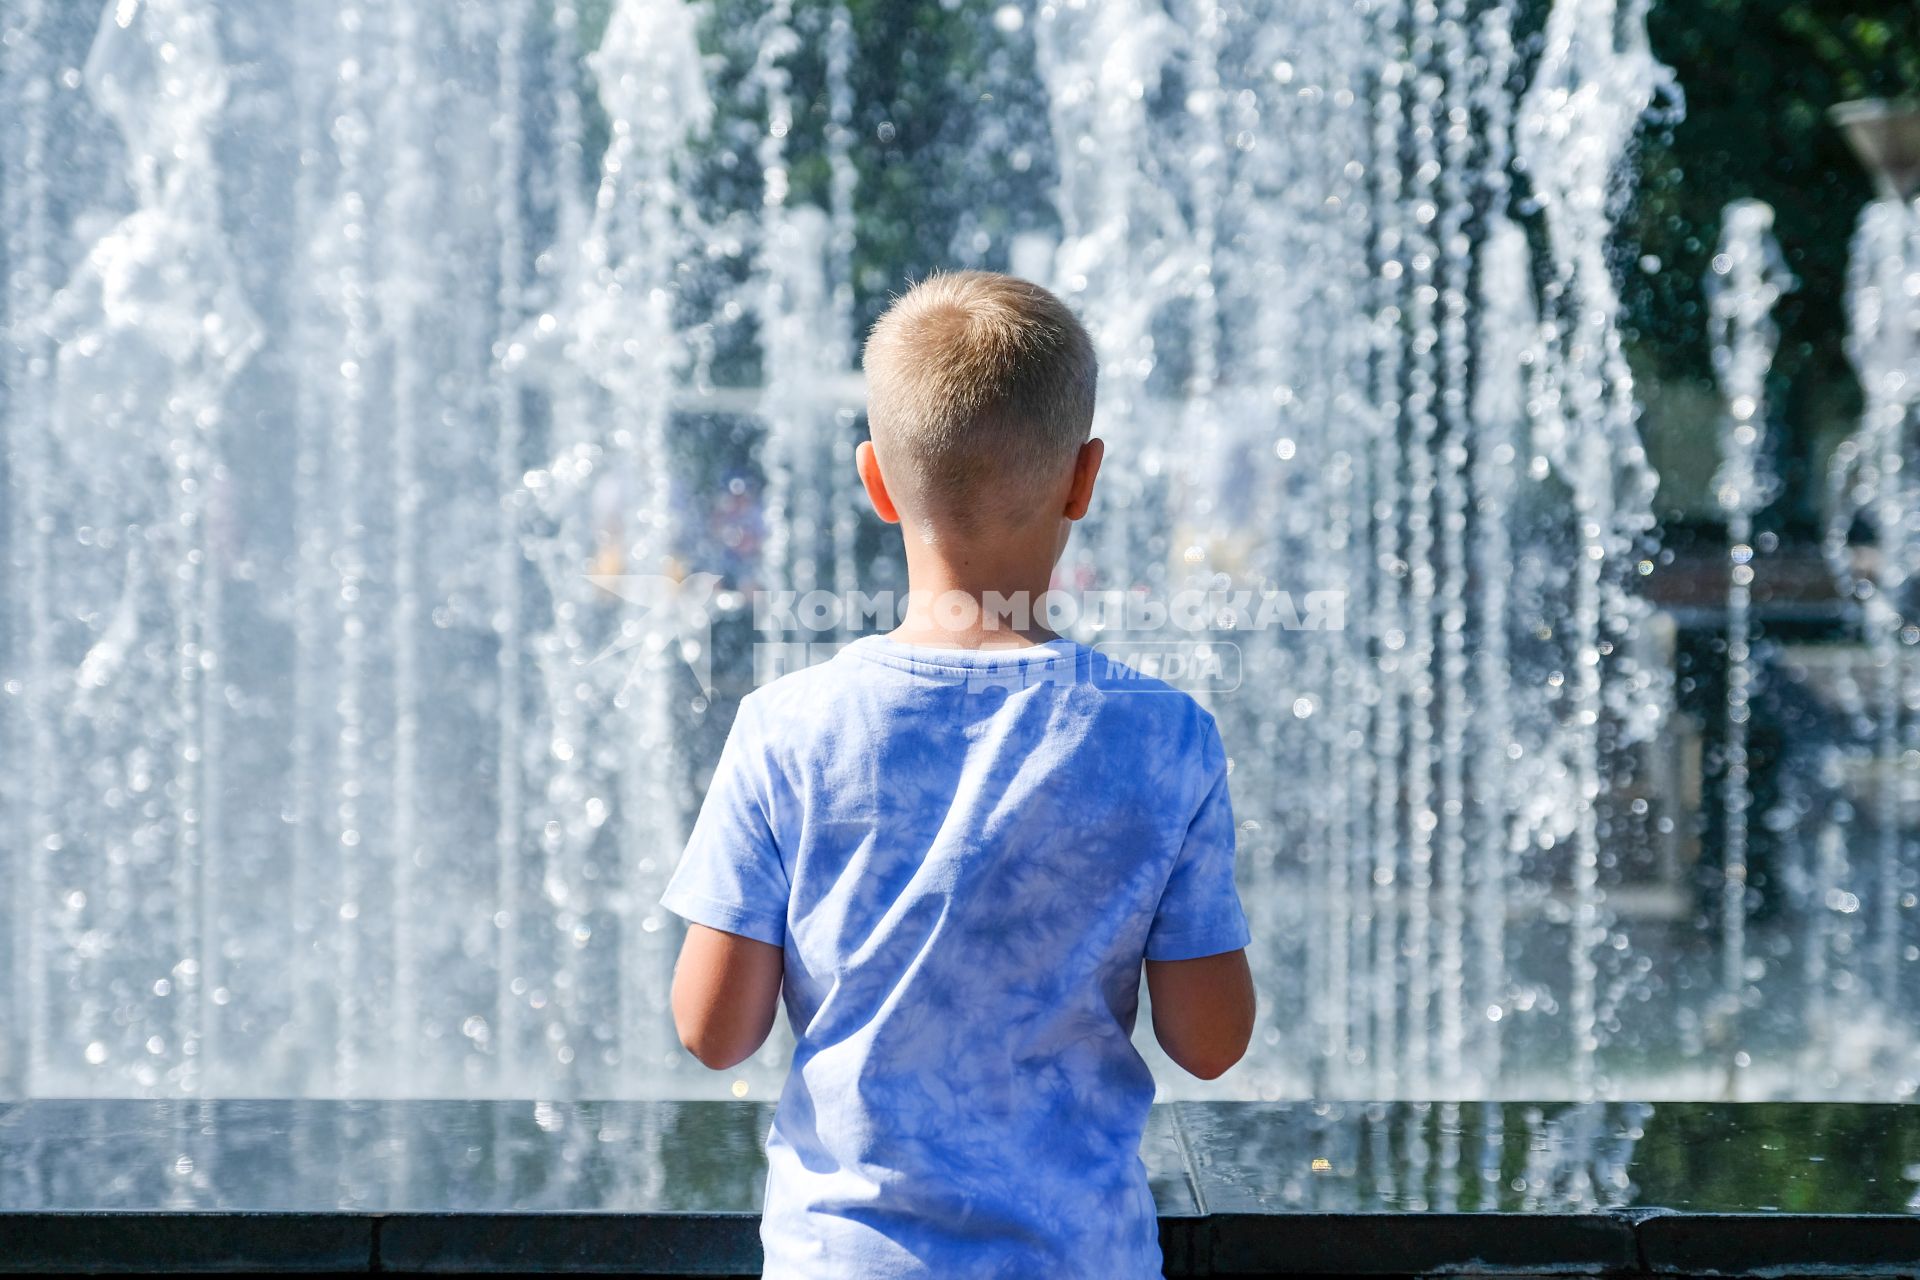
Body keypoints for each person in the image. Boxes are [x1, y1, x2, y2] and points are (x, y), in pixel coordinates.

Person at [661, 270, 1255, 1279]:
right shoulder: (1165, 736)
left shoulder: (786, 727)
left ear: (876, 481)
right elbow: (1210, 1040)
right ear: (1084, 477)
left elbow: (714, 1030)